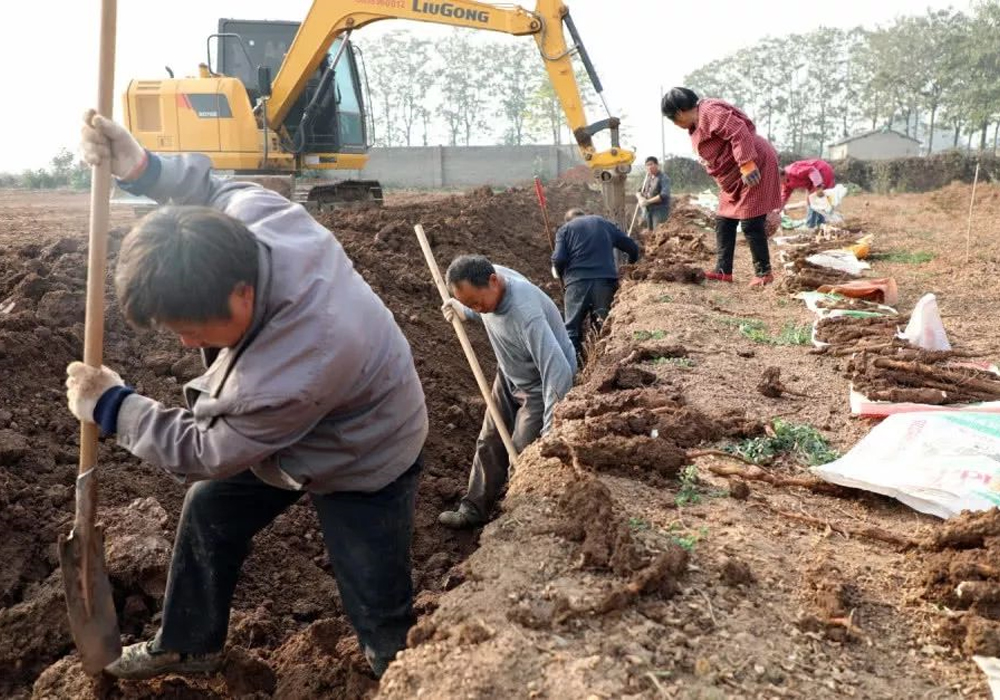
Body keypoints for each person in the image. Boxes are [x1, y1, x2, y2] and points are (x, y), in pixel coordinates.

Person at [68, 111, 428, 680]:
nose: (186, 342)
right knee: (210, 509)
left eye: (193, 328)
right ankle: (191, 643)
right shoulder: (256, 218)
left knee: (374, 591)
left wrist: (113, 405)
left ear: (241, 296)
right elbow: (211, 187)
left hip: (366, 450)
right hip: (304, 416)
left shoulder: (296, 366)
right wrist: (139, 166)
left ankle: (400, 672)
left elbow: (207, 450)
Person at [437, 256, 576, 529]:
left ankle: (517, 518)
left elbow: (557, 373)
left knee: (523, 453)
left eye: (476, 302)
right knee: (489, 439)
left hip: (539, 386)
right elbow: (483, 308)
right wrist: (465, 312)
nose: (477, 308)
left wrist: (550, 431)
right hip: (509, 373)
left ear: (493, 281)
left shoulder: (526, 313)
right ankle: (473, 509)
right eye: (468, 303)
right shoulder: (488, 282)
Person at [661, 87, 782, 286]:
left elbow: (738, 131)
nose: (675, 124)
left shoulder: (709, 111)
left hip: (754, 163)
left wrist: (746, 163)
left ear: (679, 112)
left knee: (751, 222)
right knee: (724, 220)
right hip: (734, 175)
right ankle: (723, 270)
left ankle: (763, 273)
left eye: (673, 119)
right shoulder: (695, 123)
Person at [551, 208, 639, 355]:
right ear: (584, 216)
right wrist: (631, 266)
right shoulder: (603, 223)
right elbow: (632, 247)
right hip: (604, 283)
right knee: (603, 326)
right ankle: (604, 361)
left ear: (568, 220)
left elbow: (559, 259)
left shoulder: (564, 229)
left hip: (576, 284)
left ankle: (575, 368)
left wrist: (560, 275)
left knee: (572, 329)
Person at [780, 159, 836, 228]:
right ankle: (820, 224)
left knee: (814, 200)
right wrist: (779, 209)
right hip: (812, 181)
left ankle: (811, 225)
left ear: (782, 175)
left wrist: (818, 186)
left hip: (821, 171)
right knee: (814, 200)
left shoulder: (793, 171)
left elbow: (812, 170)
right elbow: (784, 195)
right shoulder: (785, 183)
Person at [637, 156, 671, 231]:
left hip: (660, 210)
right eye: (647, 165)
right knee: (649, 232)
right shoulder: (648, 178)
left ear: (657, 165)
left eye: (651, 164)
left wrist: (648, 201)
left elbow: (664, 195)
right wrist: (640, 198)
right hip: (648, 210)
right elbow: (639, 191)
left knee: (658, 231)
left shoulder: (663, 178)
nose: (649, 167)